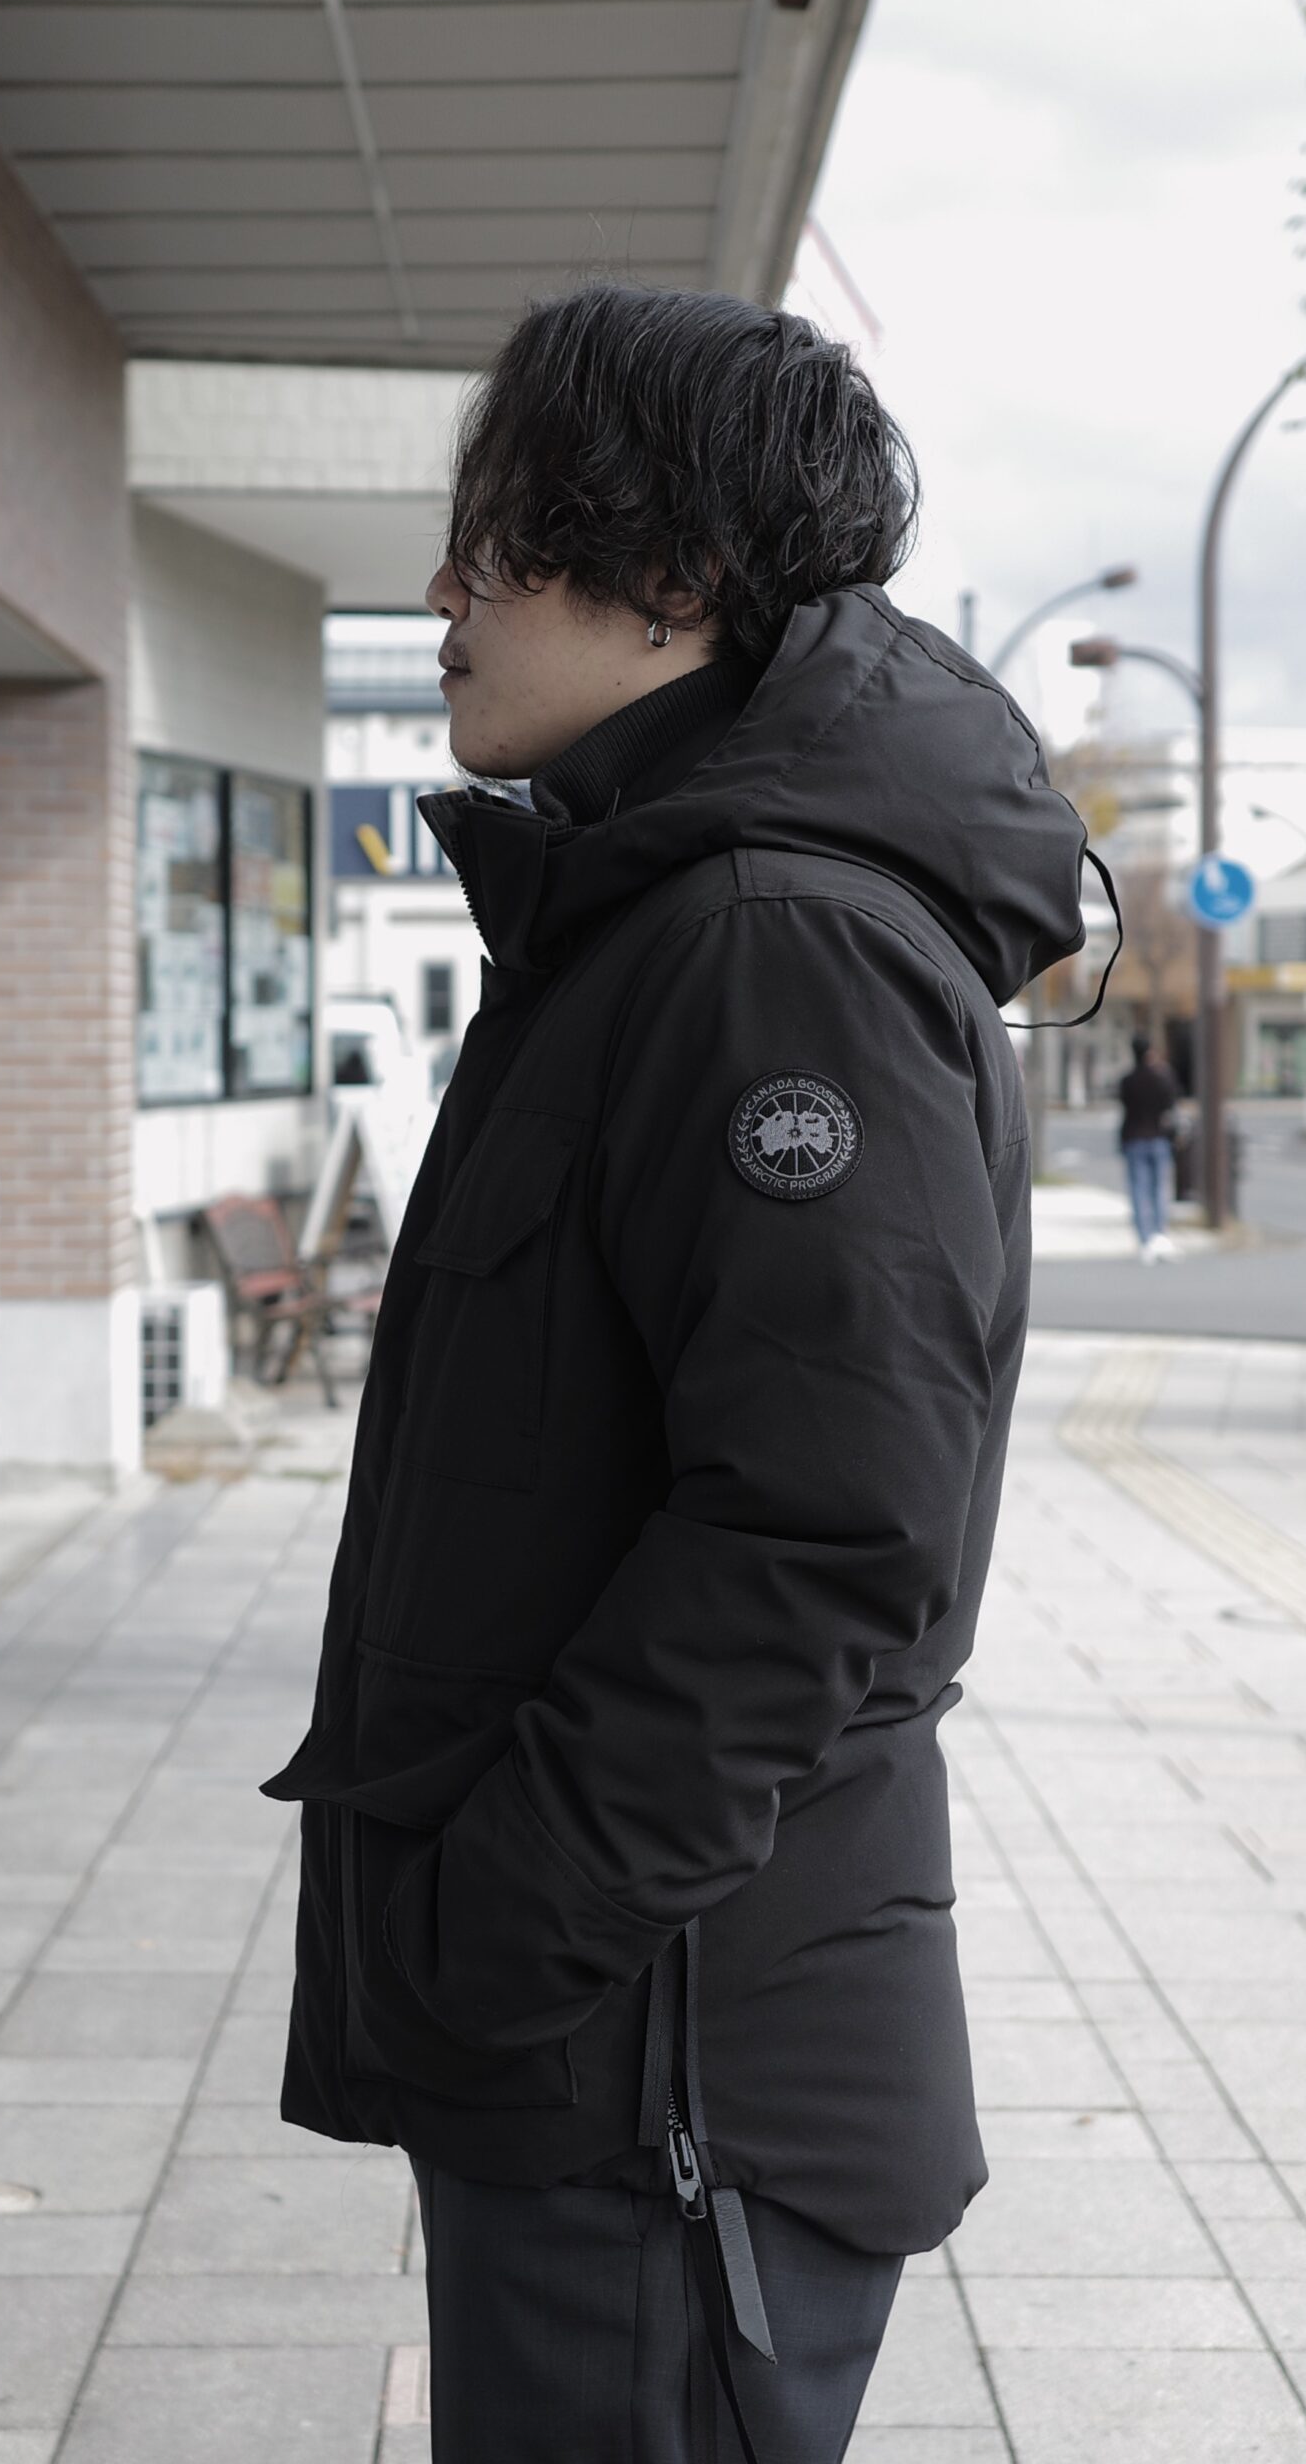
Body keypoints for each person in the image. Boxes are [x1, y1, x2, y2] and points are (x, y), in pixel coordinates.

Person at [262, 282, 1091, 2463]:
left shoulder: (765, 944)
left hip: (669, 2067)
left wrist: (503, 1924)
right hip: (621, 2044)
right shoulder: (653, 913)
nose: (442, 594)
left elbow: (821, 1533)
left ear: (675, 574)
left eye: (495, 537)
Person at [1118, 1034, 1179, 1262]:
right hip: (1158, 1137)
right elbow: (1171, 1100)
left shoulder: (1128, 1080)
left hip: (1134, 1137)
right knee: (1159, 1188)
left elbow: (1125, 1104)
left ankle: (1145, 1239)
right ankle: (1160, 1234)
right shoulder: (1161, 1077)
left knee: (1138, 1190)